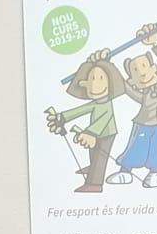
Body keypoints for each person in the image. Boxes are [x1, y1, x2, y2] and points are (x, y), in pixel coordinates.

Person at [111, 23, 157, 187]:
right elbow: (125, 87)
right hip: (142, 124)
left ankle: (154, 173)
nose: (142, 73)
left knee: (156, 149)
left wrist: (156, 43)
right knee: (135, 148)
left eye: (144, 67)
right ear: (132, 80)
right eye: (135, 70)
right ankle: (125, 171)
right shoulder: (141, 94)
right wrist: (110, 68)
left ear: (154, 68)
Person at [48, 52, 125, 193]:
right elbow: (81, 110)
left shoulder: (106, 105)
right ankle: (93, 167)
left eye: (100, 79)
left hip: (107, 133)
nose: (94, 85)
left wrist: (90, 133)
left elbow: (103, 121)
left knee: (100, 156)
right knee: (93, 152)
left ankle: (95, 183)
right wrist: (62, 117)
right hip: (96, 133)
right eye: (91, 79)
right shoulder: (96, 103)